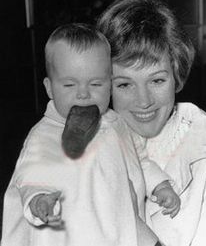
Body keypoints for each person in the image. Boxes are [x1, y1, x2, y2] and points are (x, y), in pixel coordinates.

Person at [1, 23, 176, 246]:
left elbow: (139, 159)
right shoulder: (43, 135)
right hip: (74, 233)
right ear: (49, 88)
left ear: (109, 85)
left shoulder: (115, 123)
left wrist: (160, 185)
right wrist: (38, 201)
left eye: (95, 83)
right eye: (69, 85)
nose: (83, 94)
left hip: (121, 224)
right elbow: (29, 179)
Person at [97, 0, 206, 246]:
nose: (144, 101)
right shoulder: (96, 138)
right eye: (125, 84)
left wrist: (132, 225)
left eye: (157, 80)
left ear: (177, 74)